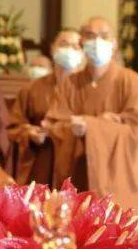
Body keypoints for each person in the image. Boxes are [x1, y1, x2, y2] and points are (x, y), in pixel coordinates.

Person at [45, 16, 138, 214]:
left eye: (104, 36)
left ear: (114, 43)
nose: (97, 42)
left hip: (121, 179)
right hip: (80, 174)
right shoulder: (70, 83)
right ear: (81, 43)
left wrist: (92, 127)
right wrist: (73, 128)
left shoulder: (131, 81)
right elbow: (54, 125)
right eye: (90, 36)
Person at [8, 30, 84, 185]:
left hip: (77, 163)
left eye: (76, 46)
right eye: (64, 44)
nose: (69, 50)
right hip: (42, 160)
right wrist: (29, 132)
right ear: (52, 48)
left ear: (83, 53)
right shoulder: (32, 89)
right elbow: (13, 126)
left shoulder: (88, 89)